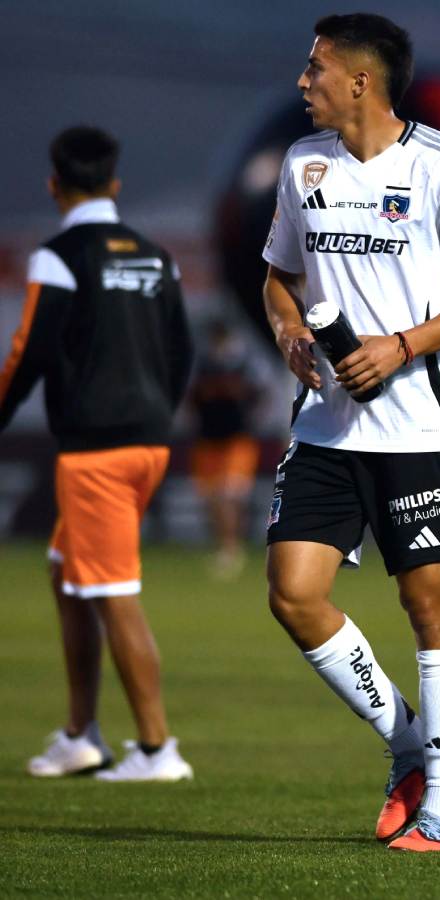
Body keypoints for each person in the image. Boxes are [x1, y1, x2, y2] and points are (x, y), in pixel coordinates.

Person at [259, 13, 440, 852]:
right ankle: (408, 740)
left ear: (362, 81)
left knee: (426, 601)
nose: (303, 82)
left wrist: (402, 345)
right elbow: (279, 281)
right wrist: (290, 334)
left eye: (315, 68)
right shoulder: (303, 166)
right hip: (326, 428)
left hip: (416, 428)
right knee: (294, 594)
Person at [2, 126, 195, 781]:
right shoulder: (155, 255)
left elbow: (27, 352)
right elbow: (182, 352)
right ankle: (82, 734)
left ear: (54, 185)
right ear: (115, 183)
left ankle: (156, 749)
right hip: (147, 441)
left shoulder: (60, 256)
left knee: (113, 592)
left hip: (96, 450)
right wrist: (155, 414)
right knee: (68, 572)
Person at [189, 319, 265, 579]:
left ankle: (232, 548)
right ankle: (224, 545)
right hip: (208, 439)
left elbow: (257, 396)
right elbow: (194, 397)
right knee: (211, 498)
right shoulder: (204, 365)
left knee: (230, 495)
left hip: (236, 439)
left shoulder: (243, 365)